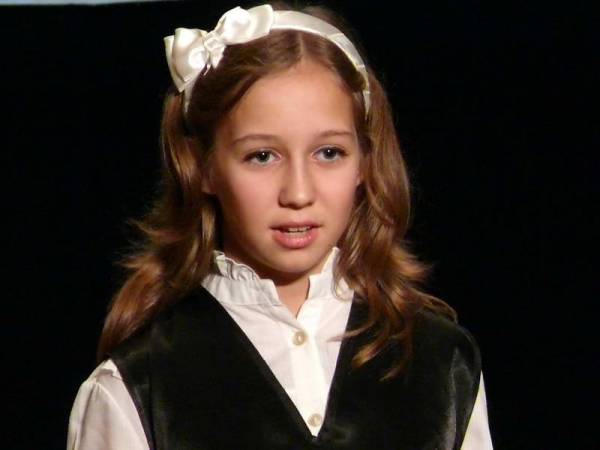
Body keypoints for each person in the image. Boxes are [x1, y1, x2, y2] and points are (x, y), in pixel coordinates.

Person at [67, 3, 493, 449]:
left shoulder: (442, 362)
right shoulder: (138, 385)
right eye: (262, 156)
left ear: (365, 161)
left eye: (328, 153)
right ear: (202, 166)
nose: (298, 192)